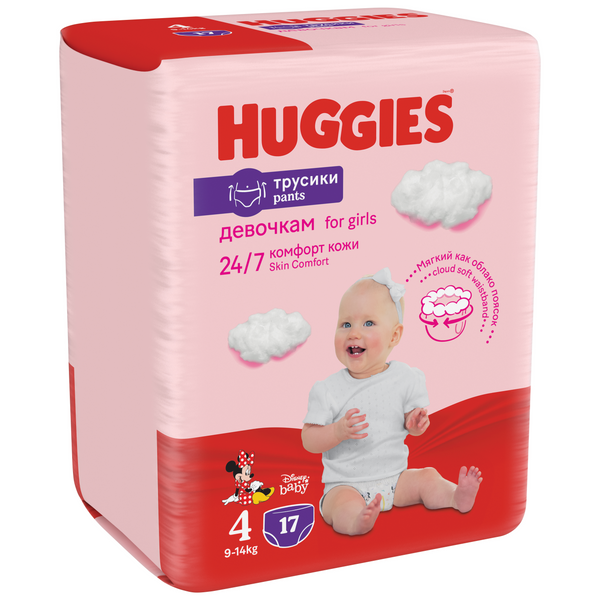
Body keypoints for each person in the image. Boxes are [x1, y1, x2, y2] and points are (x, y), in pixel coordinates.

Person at [301, 268, 482, 536]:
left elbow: (412, 427)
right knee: (339, 505)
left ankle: (455, 496)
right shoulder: (328, 389)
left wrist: (415, 423)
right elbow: (308, 440)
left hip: (396, 480)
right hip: (345, 483)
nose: (354, 333)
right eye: (346, 324)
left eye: (368, 323)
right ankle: (356, 521)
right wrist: (336, 431)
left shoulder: (405, 378)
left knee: (428, 476)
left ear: (394, 336)